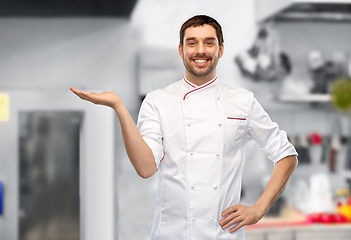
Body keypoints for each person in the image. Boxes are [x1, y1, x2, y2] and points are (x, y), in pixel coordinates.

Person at [71, 15, 298, 240]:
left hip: (223, 235)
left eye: (209, 42)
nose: (201, 50)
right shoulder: (157, 101)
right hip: (172, 235)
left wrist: (259, 208)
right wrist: (118, 106)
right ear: (181, 51)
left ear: (220, 50)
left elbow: (286, 154)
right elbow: (146, 167)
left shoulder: (242, 101)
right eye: (192, 43)